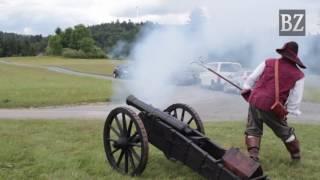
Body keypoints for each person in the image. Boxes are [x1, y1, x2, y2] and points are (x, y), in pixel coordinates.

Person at [241, 41, 306, 162]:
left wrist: (247, 88)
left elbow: (252, 78)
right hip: (272, 106)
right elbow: (295, 98)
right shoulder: (299, 75)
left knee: (253, 128)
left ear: (283, 53)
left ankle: (253, 157)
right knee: (284, 131)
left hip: (255, 100)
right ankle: (296, 156)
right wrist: (290, 110)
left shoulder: (268, 62)